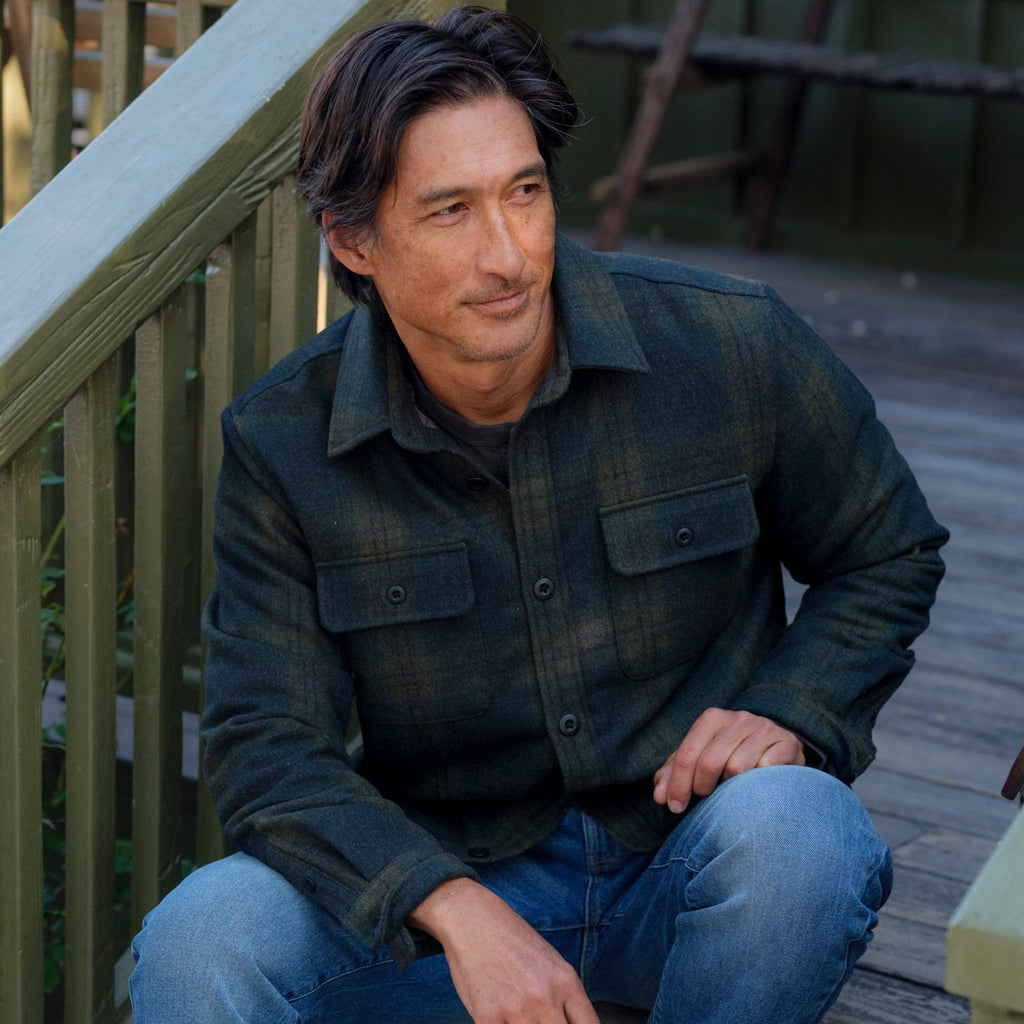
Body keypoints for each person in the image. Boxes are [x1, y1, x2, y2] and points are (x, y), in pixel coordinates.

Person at [129, 7, 948, 1023]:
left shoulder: (731, 345)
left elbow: (887, 548)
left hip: (688, 872)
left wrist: (792, 708)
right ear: (354, 242)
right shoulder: (284, 443)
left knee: (801, 830)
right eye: (450, 211)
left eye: (525, 192)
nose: (510, 255)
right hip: (444, 912)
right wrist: (455, 908)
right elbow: (266, 741)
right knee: (199, 942)